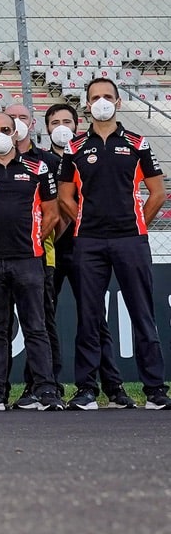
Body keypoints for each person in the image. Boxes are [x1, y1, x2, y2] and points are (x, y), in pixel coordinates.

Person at [58, 77, 168, 410]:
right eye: (95, 97)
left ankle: (155, 390)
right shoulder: (75, 147)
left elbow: (158, 192)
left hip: (130, 240)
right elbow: (64, 197)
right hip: (88, 242)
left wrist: (136, 224)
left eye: (108, 96)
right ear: (87, 104)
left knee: (142, 314)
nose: (102, 102)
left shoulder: (137, 142)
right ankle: (87, 390)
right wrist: (84, 221)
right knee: (89, 317)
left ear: (118, 102)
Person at [0, 112, 63, 411]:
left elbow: (52, 214)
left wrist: (33, 240)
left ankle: (46, 390)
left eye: (5, 129)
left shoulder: (38, 167)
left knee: (36, 326)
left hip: (28, 260)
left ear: (15, 133)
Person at [44, 103, 129, 407]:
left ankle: (113, 386)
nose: (61, 127)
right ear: (47, 128)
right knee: (44, 320)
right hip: (50, 251)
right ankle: (47, 386)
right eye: (55, 122)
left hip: (86, 247)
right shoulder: (40, 161)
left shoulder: (86, 153)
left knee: (94, 319)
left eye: (66, 121)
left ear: (77, 124)